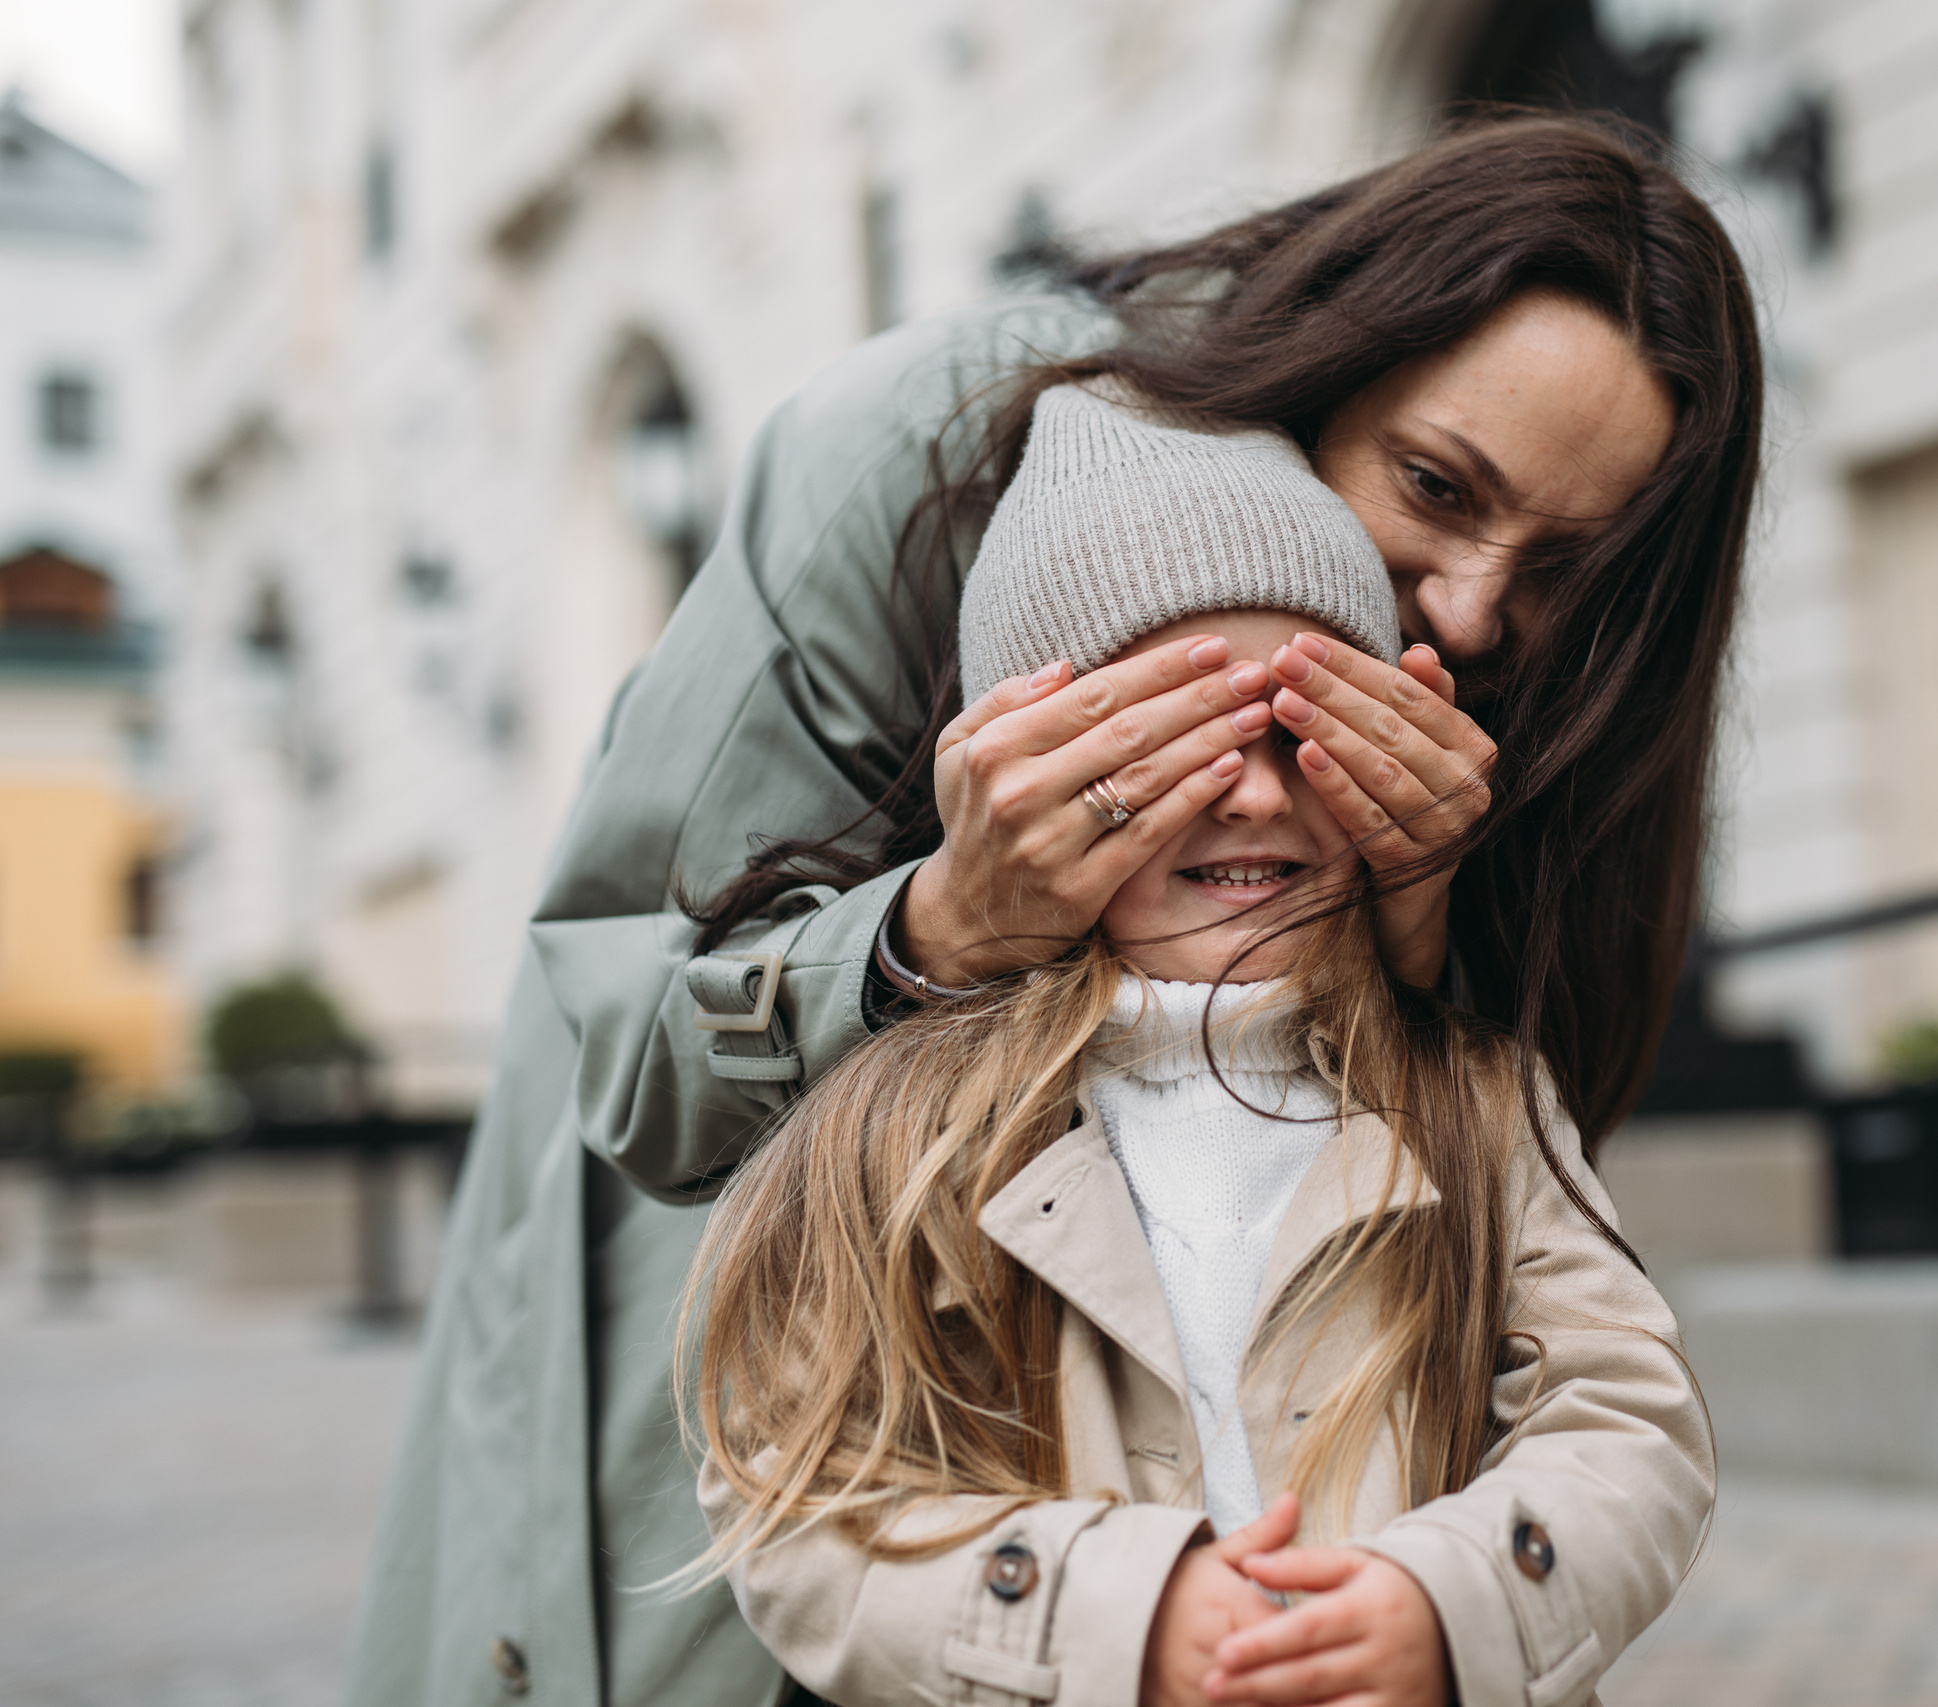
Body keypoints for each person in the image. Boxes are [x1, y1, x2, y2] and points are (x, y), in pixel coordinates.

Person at [347, 111, 1761, 1707]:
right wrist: (939, 928)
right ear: (1334, 360)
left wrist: (1416, 928)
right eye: (1434, 483)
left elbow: (1596, 1378)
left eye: (1567, 570)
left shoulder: (1489, 981)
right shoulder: (929, 458)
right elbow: (647, 1085)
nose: (1474, 608)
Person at [683, 381, 1712, 1707]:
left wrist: (1452, 1604)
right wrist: (1112, 1620)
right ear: (1024, 775)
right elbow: (801, 1499)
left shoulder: (1475, 1100)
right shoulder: (900, 1117)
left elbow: (1629, 1420)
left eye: (1303, 729)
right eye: (1173, 738)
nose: (1253, 790)